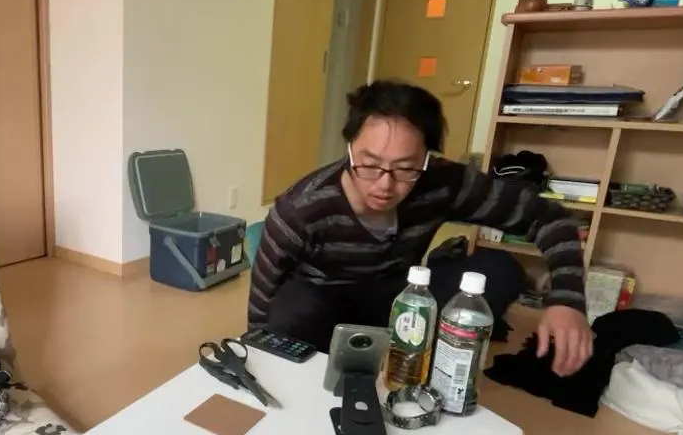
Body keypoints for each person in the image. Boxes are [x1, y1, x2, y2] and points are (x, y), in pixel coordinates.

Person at [248, 80, 593, 376]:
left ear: (426, 158)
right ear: (350, 148)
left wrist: (567, 301)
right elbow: (261, 307)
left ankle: (432, 362)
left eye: (405, 168)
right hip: (323, 306)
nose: (385, 184)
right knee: (293, 310)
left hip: (398, 299)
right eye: (369, 164)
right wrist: (257, 365)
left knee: (501, 270)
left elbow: (551, 218)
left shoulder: (442, 182)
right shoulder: (301, 208)